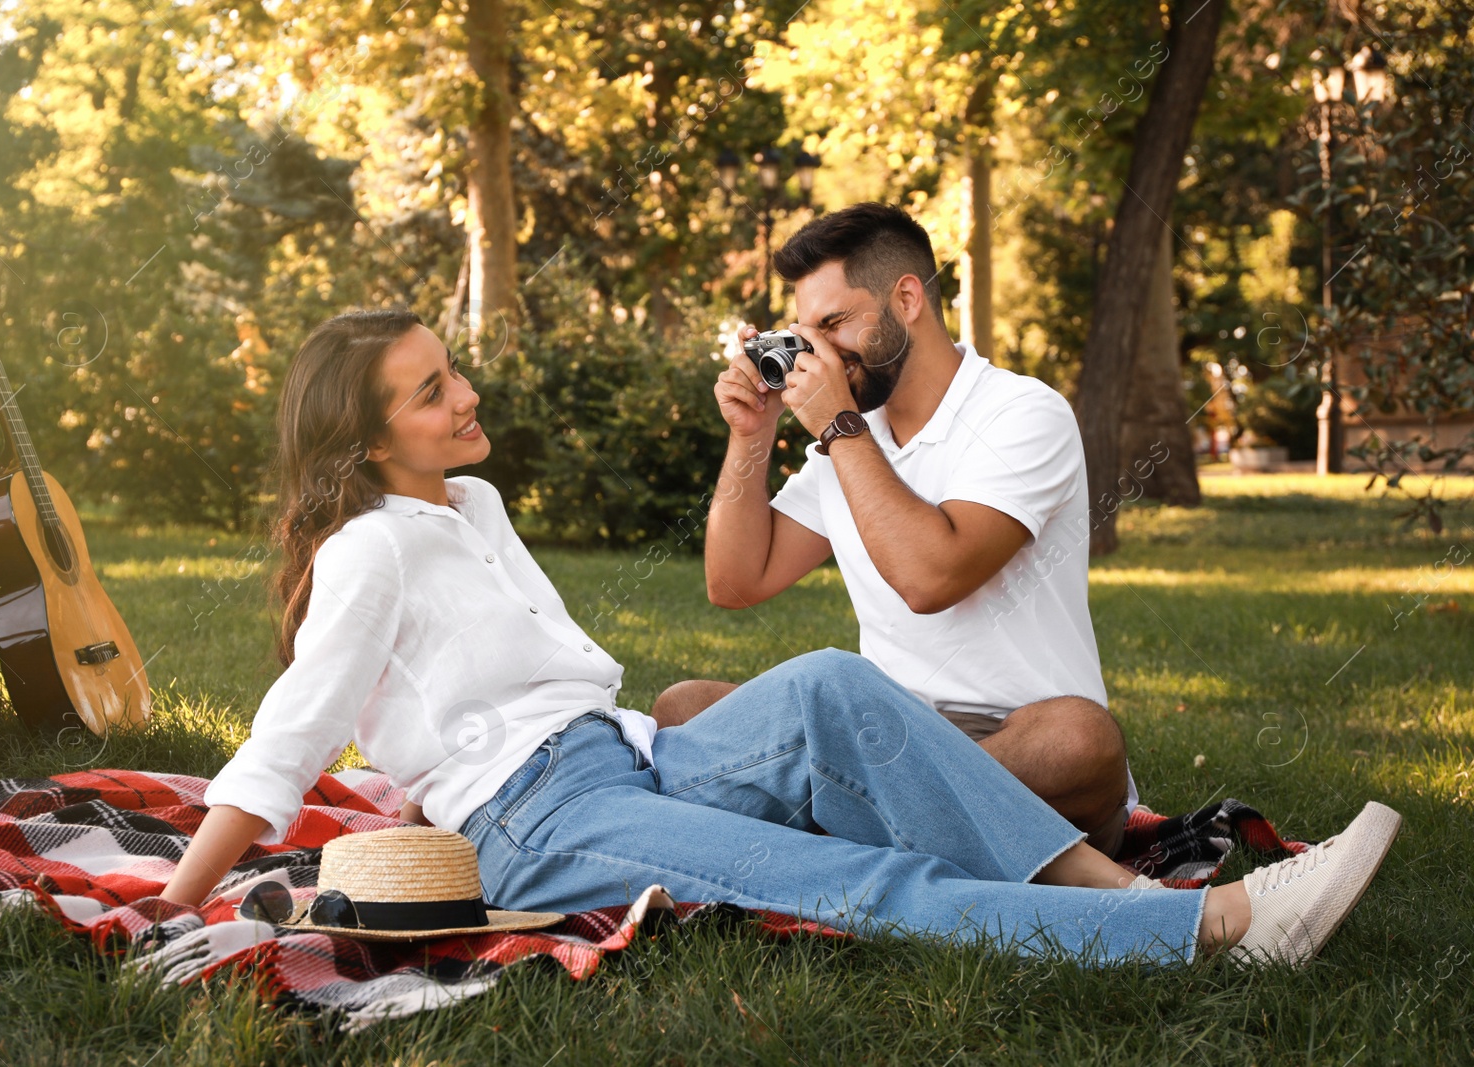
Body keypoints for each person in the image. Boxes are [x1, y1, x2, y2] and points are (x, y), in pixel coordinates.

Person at [159, 307, 1401, 968]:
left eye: (450, 369)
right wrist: (178, 898)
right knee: (854, 882)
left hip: (623, 752)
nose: (464, 392)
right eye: (431, 392)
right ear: (372, 440)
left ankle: (1123, 893)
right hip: (539, 820)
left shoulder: (471, 503)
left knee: (828, 684)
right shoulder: (368, 548)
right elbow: (293, 733)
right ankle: (1213, 930)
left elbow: (595, 656)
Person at [671, 203, 1130, 854]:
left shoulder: (1022, 413)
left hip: (1017, 746)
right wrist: (752, 435)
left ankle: (841, 834)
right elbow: (736, 580)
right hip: (883, 739)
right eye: (808, 332)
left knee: (1082, 740)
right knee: (686, 708)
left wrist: (838, 428)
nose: (821, 352)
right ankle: (900, 831)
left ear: (907, 298)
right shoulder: (853, 432)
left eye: (834, 323)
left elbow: (930, 577)